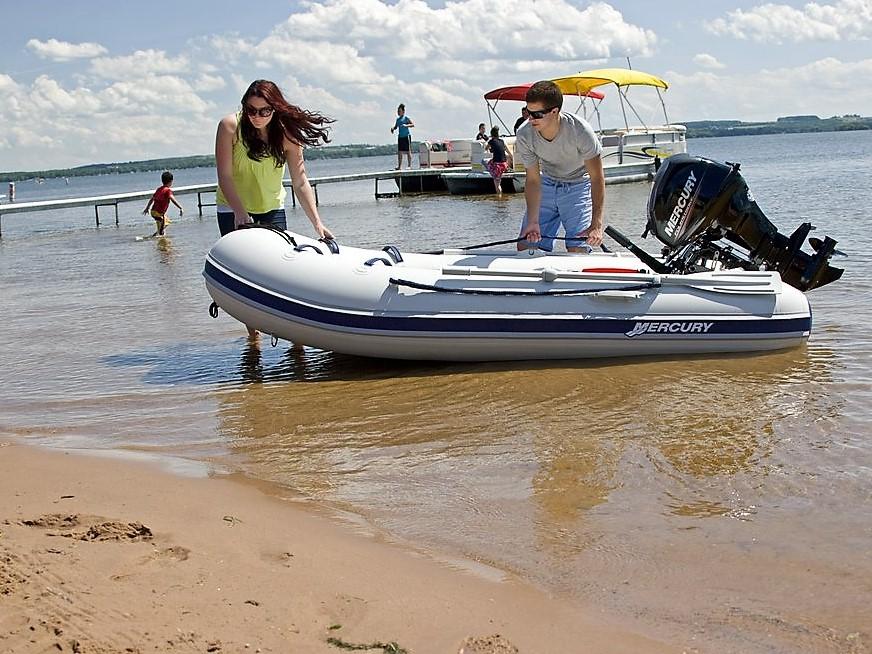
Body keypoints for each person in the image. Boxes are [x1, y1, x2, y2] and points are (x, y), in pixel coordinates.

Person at [215, 79, 334, 338]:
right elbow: (224, 176)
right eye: (251, 110)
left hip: (271, 208)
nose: (256, 117)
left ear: (275, 109)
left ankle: (295, 339)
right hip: (232, 208)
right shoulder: (230, 126)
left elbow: (300, 181)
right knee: (244, 274)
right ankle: (253, 337)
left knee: (281, 274)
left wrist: (317, 223)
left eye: (264, 111)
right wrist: (240, 213)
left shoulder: (287, 135)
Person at [514, 80, 605, 253]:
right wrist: (533, 221)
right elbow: (533, 180)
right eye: (528, 113)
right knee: (526, 246)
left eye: (537, 114)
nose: (530, 119)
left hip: (578, 185)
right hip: (547, 183)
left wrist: (596, 224)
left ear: (554, 111)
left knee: (578, 249)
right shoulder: (524, 134)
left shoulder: (581, 131)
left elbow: (597, 178)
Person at [142, 171, 183, 237]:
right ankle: (153, 238)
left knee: (166, 223)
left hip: (154, 212)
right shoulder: (167, 190)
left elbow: (152, 199)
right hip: (158, 213)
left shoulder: (159, 189)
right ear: (171, 181)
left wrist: (147, 208)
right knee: (161, 230)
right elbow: (172, 199)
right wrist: (180, 207)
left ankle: (161, 242)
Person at [485, 127, 513, 194]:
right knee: (498, 181)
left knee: (497, 185)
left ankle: (499, 201)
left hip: (497, 166)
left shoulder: (491, 141)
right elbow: (509, 153)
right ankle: (505, 169)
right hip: (504, 164)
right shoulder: (502, 141)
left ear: (491, 134)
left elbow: (486, 148)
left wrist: (489, 147)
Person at [390, 103, 415, 170]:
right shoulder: (398, 120)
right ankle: (399, 166)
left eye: (399, 111)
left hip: (406, 136)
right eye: (397, 111)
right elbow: (396, 127)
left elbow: (412, 125)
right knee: (400, 152)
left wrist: (406, 125)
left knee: (408, 151)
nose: (398, 112)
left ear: (403, 111)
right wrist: (393, 128)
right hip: (400, 137)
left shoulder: (406, 118)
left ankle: (409, 165)